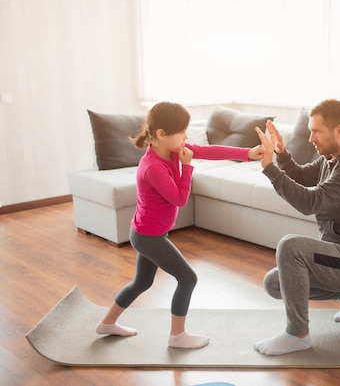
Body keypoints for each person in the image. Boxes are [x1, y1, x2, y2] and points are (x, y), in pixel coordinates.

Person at [96, 101, 263, 349]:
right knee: (188, 279)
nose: (187, 136)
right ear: (162, 134)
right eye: (182, 131)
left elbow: (208, 151)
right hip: (149, 237)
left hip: (146, 232)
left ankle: (107, 323)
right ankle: (177, 336)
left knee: (141, 282)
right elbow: (179, 198)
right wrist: (187, 167)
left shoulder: (171, 151)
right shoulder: (153, 167)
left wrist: (247, 154)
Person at [252, 99, 340, 355]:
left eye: (317, 131)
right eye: (310, 131)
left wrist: (269, 167)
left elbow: (309, 201)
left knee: (290, 247)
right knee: (274, 283)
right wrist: (281, 153)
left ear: (339, 130)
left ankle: (297, 335)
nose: (311, 137)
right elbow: (301, 176)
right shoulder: (331, 158)